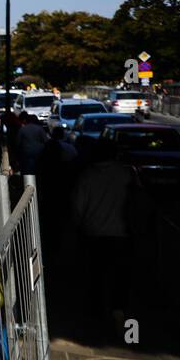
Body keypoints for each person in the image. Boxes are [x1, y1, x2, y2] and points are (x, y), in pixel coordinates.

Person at [69, 140, 140, 342]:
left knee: (96, 275)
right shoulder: (126, 174)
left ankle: (97, 315)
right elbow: (136, 202)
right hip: (121, 234)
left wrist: (78, 226)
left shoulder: (88, 176)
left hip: (94, 234)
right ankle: (120, 312)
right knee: (120, 276)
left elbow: (78, 205)